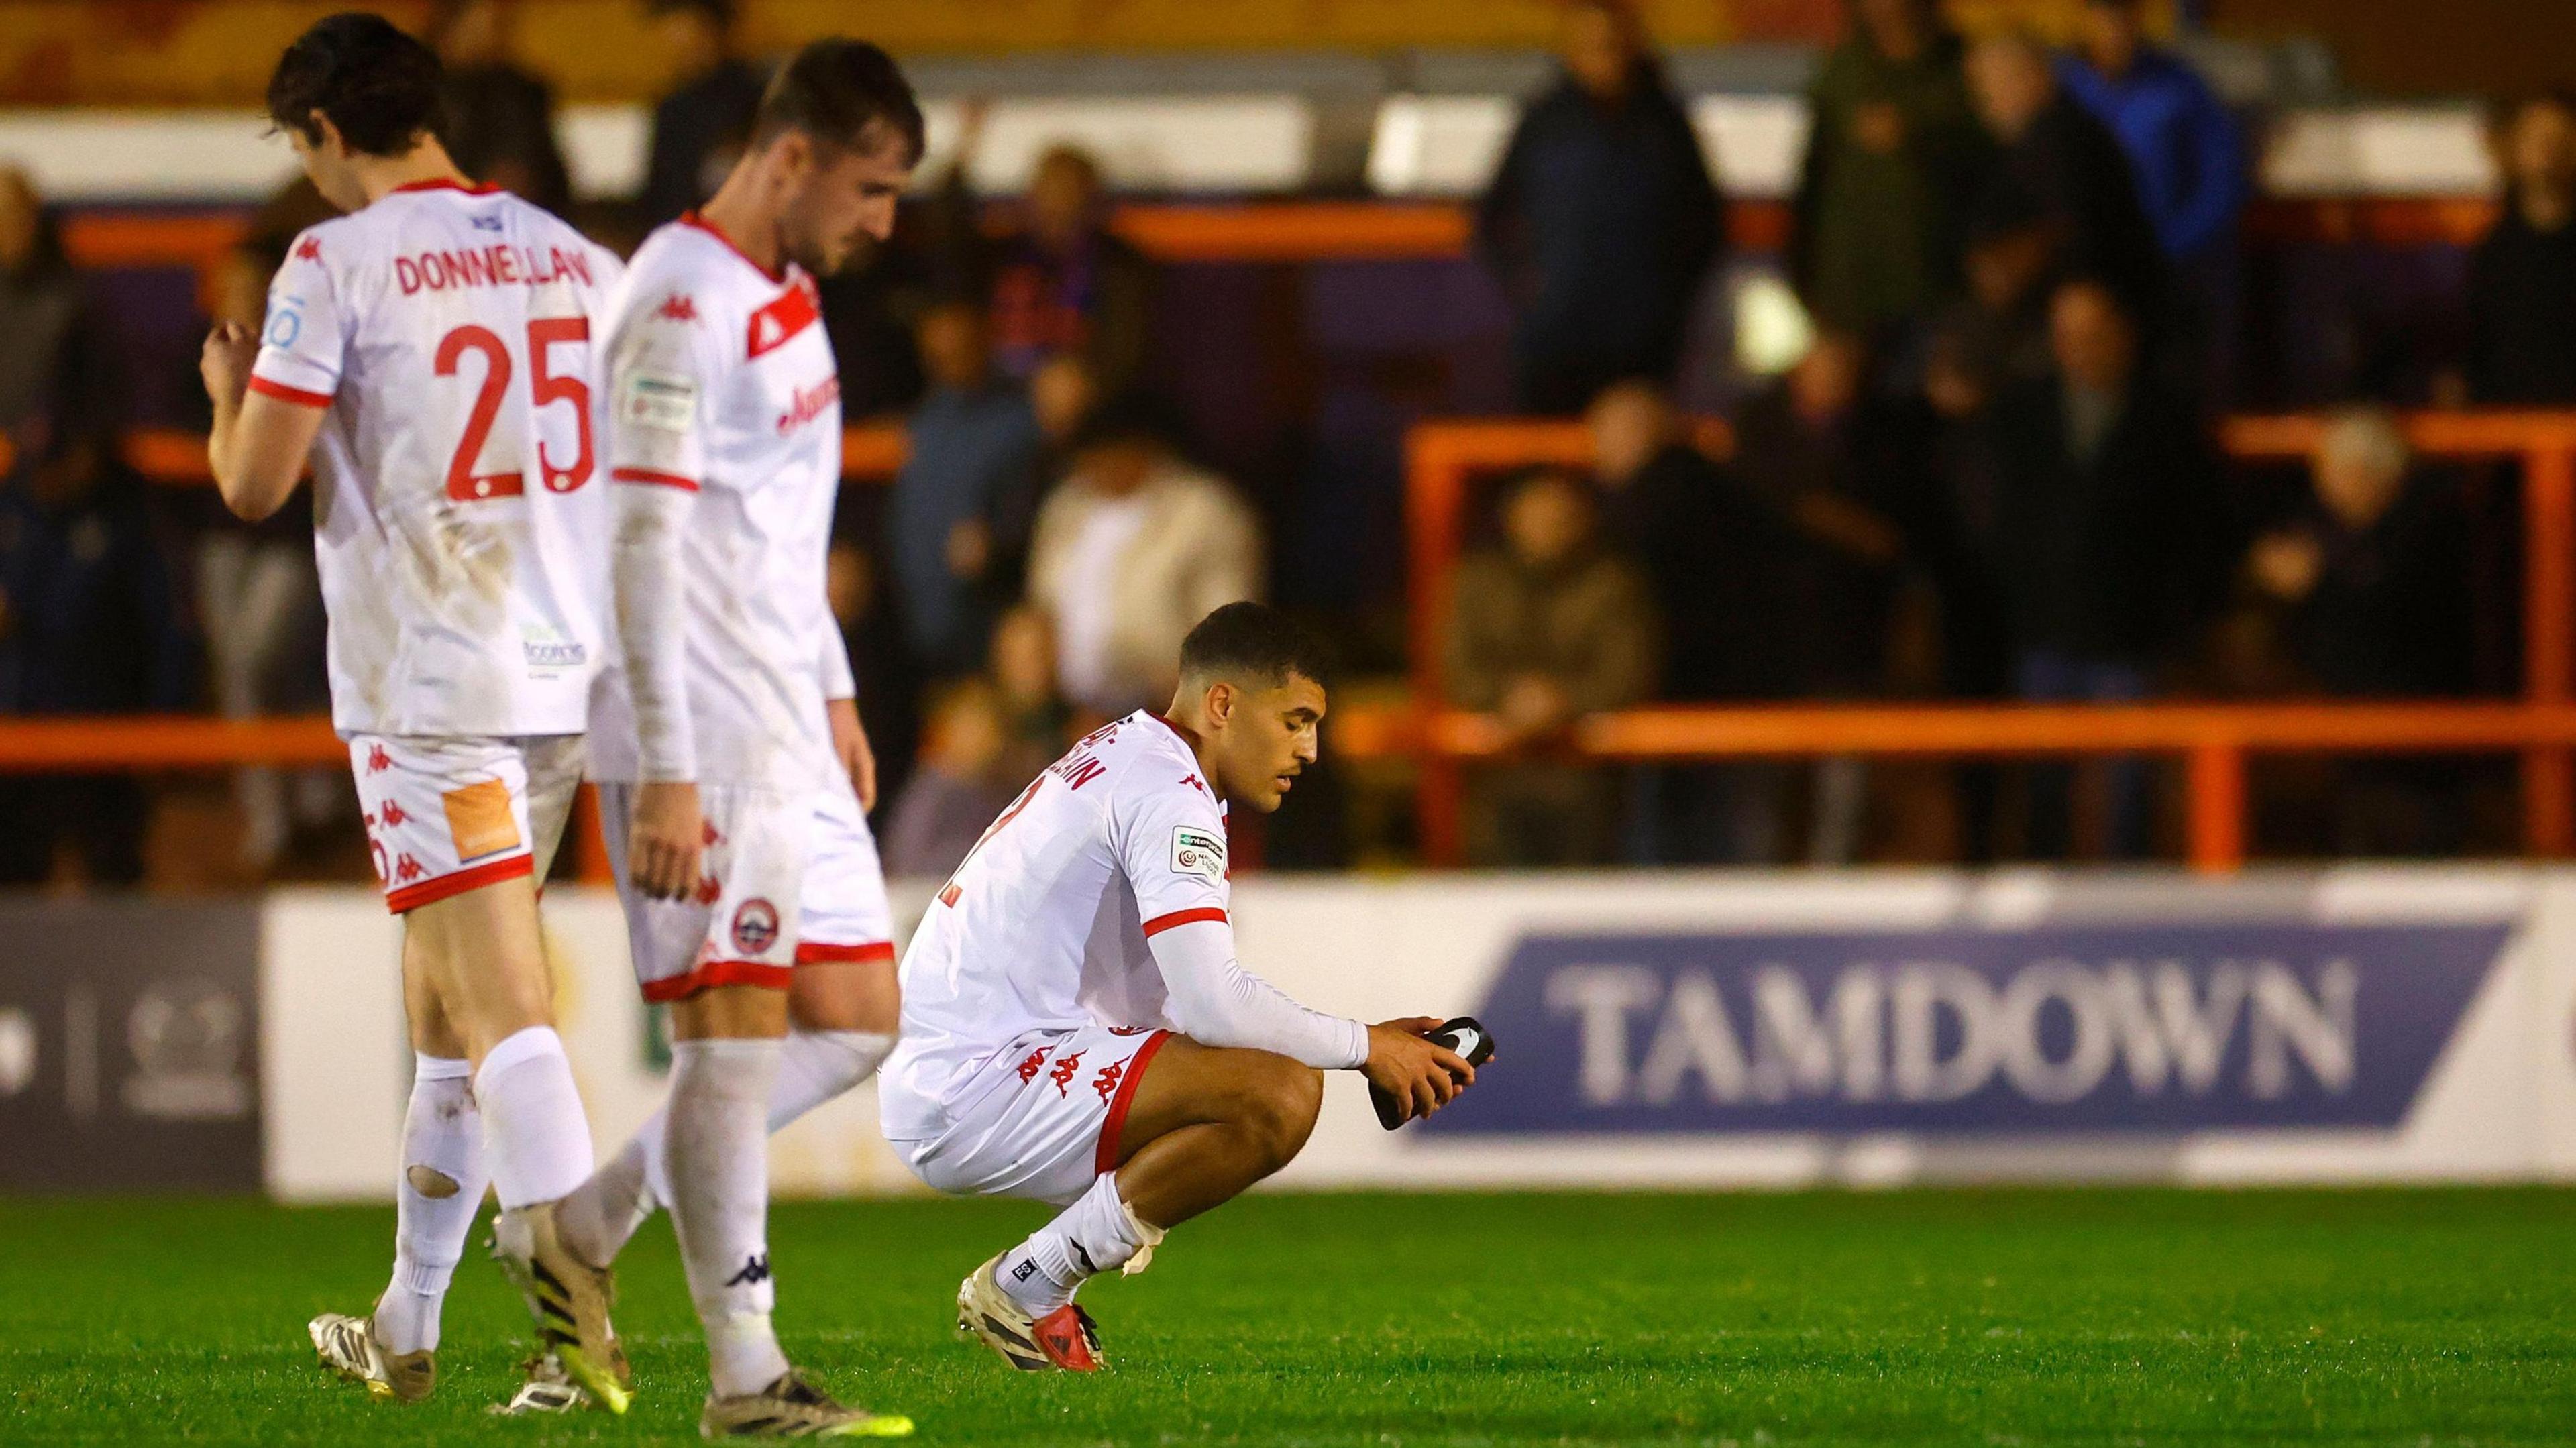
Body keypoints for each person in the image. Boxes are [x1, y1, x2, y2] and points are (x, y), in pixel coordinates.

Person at [198, 10, 625, 1410]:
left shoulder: (332, 262)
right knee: (444, 1000)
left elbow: (255, 485)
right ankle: (409, 1315)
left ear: (325, 131)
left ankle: (582, 1343)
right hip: (560, 671)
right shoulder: (575, 255)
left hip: (432, 683)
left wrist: (224, 398)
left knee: (499, 1002)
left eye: (303, 147)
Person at [527, 40, 924, 1436]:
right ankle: (746, 1376)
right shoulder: (678, 303)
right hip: (698, 725)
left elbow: (778, 522)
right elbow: (636, 539)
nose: (885, 221)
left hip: (786, 720)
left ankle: (581, 1221)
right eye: (871, 188)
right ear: (791, 155)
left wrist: (835, 691)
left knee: (862, 1020)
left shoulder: (793, 291)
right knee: (733, 1039)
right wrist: (672, 766)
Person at [879, 601, 1477, 1372]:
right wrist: (1365, 1048)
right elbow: (1213, 1005)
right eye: (1295, 719)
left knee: (1265, 1079)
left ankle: (1029, 1286)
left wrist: (1372, 1042)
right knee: (1279, 1094)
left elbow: (1179, 1006)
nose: (1312, 748)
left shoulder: (1138, 756)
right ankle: (1028, 1284)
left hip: (962, 1062)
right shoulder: (1169, 792)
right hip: (976, 1076)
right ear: (1223, 703)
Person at [1990, 278, 2229, 858]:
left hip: (2130, 633)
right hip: (2045, 628)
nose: (2081, 348)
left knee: (2131, 786)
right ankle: (2043, 887)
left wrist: (2179, 619)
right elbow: (1999, 519)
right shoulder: (2023, 414)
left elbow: (2199, 529)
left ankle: (2129, 898)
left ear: (2124, 335)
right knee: (2044, 781)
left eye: (2093, 334)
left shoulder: (2166, 419)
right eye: (2067, 335)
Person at [1474, 0, 1723, 414]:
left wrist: (1669, 301)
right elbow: (1492, 220)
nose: (1603, 56)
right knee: (1551, 462)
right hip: (1554, 343)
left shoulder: (1665, 126)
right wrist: (1533, 290)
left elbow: (1704, 223)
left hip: (1643, 346)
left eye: (1611, 44)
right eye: (1590, 45)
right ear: (1570, 50)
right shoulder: (1544, 123)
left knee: (1637, 464)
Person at [2246, 409, 2475, 854]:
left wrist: (2316, 582)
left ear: (2377, 477)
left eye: (2343, 475)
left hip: (2415, 745)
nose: (2330, 487)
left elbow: (2388, 612)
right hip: (2338, 741)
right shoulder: (2326, 530)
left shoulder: (2425, 531)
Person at [1443, 468, 1658, 866]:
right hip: (1494, 775)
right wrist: (1509, 700)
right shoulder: (1476, 581)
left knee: (1582, 905)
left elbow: (1627, 674)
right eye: (1537, 513)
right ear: (1511, 517)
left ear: (1584, 520)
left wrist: (1559, 703)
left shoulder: (1611, 584)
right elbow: (1456, 668)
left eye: (1561, 516)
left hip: (1587, 779)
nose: (1549, 527)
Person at [1025, 393, 1262, 718]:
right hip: (1067, 711)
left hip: (1160, 708)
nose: (1100, 464)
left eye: (1113, 449)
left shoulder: (1204, 511)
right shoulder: (1067, 506)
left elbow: (1230, 630)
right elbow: (1039, 604)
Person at [2057, 0, 2244, 397]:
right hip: (2082, 283)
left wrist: (2172, 245)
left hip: (2165, 278)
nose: (2114, 26)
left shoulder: (2179, 87)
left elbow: (2221, 181)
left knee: (2164, 394)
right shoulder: (2064, 88)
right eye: (2103, 14)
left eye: (2124, 13)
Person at [1791, 0, 1990, 341]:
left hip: (1942, 293)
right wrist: (1805, 282)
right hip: (1849, 295)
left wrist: (1920, 137)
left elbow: (1992, 174)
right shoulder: (1844, 71)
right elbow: (1813, 178)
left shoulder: (1966, 69)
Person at [1964, 32, 2164, 336]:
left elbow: (2070, 235)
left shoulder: (2060, 139)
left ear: (2034, 76)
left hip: (2094, 316)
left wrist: (2009, 264)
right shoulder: (2041, 138)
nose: (1986, 105)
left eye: (1991, 86)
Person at [890, 294, 1044, 677]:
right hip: (920, 622)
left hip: (988, 620)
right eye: (938, 355)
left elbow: (1036, 510)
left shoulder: (1021, 420)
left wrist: (996, 539)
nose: (949, 363)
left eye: (959, 349)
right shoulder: (925, 421)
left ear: (983, 341)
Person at [2463, 93, 2576, 404]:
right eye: (2538, 139)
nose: (2549, 152)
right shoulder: (2494, 253)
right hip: (2507, 419)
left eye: (2561, 138)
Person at [427, 0, 571, 212]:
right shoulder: (421, 86)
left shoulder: (514, 91)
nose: (492, 31)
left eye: (497, 22)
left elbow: (513, 174)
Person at [637, 0, 767, 229]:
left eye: (684, 25)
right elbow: (663, 201)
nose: (675, 39)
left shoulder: (757, 99)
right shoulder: (673, 109)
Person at [881, 677, 1022, 878]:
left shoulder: (1000, 789)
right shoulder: (932, 790)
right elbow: (907, 861)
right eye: (976, 727)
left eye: (994, 726)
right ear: (950, 730)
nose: (989, 737)